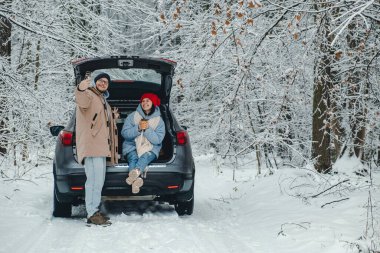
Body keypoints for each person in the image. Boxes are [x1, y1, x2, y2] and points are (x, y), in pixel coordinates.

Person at [75, 72, 118, 225]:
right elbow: (82, 100)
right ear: (95, 82)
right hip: (91, 146)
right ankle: (92, 213)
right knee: (93, 181)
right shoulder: (89, 94)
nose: (103, 83)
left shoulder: (102, 99)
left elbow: (100, 120)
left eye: (106, 81)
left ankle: (95, 211)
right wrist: (80, 88)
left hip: (99, 147)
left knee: (98, 181)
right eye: (100, 80)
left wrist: (113, 117)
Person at [121, 93, 165, 194]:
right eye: (143, 101)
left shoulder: (159, 121)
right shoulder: (132, 116)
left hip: (151, 148)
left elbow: (158, 140)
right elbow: (124, 133)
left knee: (145, 156)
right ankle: (136, 180)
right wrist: (138, 128)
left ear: (153, 102)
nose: (145, 103)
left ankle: (134, 175)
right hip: (131, 145)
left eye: (148, 101)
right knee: (133, 157)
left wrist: (146, 129)